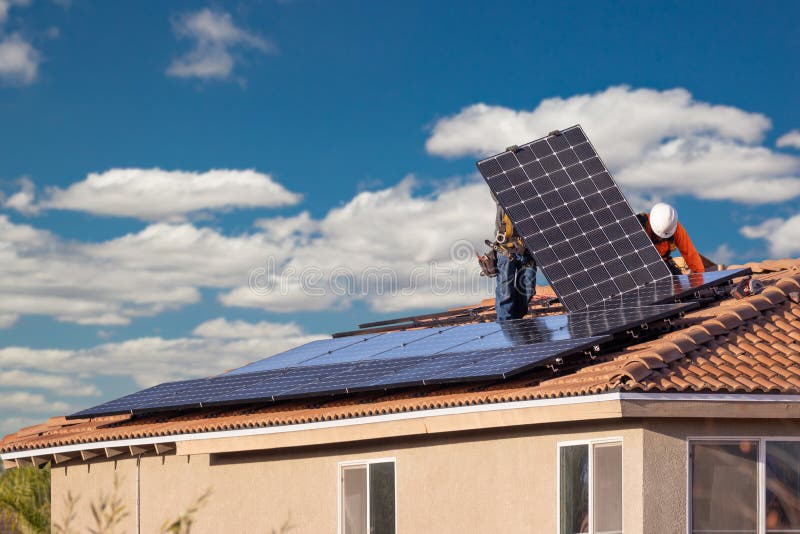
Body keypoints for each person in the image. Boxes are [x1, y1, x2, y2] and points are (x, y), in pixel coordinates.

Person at [494, 204, 537, 320]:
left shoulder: (534, 195)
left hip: (527, 251)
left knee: (528, 289)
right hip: (506, 249)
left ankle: (517, 322)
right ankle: (506, 324)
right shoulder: (503, 194)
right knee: (505, 292)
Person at [638, 202, 704, 275]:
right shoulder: (638, 226)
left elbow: (690, 254)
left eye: (663, 236)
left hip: (664, 264)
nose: (660, 238)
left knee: (677, 282)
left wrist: (701, 277)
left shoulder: (675, 228)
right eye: (657, 235)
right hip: (640, 265)